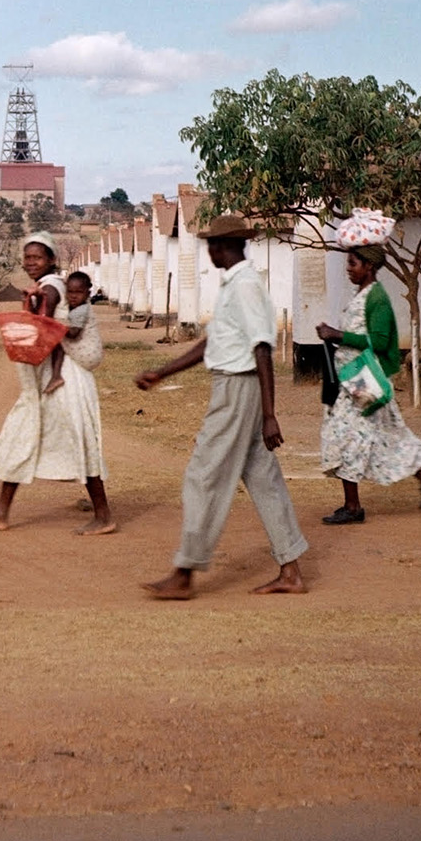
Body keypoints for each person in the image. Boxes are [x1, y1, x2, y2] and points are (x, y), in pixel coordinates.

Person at [135, 215, 308, 599]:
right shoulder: (234, 285)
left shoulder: (245, 286)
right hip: (236, 388)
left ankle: (185, 572)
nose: (208, 250)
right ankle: (291, 569)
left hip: (238, 391)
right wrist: (161, 372)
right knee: (264, 481)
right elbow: (211, 343)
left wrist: (269, 414)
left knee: (203, 476)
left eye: (211, 243)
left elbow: (262, 348)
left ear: (223, 247)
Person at [0, 234, 115, 535]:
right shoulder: (51, 286)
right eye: (26, 258)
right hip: (54, 377)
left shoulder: (51, 287)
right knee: (24, 432)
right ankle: (1, 510)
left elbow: (41, 329)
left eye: (36, 258)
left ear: (51, 259)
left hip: (68, 379)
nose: (30, 263)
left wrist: (32, 307)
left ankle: (103, 515)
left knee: (79, 439)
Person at [315, 244, 421, 524]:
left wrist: (338, 334)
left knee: (346, 434)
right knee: (387, 432)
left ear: (369, 267)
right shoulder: (363, 294)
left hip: (363, 378)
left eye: (353, 264)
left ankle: (352, 507)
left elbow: (380, 342)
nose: (349, 269)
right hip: (355, 377)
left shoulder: (377, 298)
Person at [62, 271, 104, 373]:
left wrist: (58, 329)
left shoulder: (81, 310)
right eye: (70, 292)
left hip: (87, 353)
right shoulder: (84, 307)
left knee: (58, 344)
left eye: (79, 292)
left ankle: (56, 376)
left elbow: (73, 334)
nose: (73, 296)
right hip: (95, 354)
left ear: (88, 294)